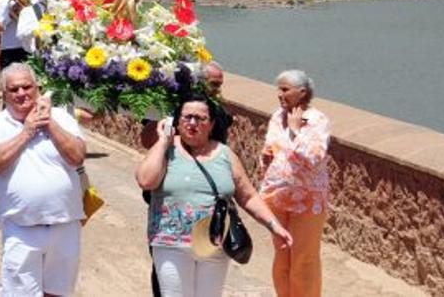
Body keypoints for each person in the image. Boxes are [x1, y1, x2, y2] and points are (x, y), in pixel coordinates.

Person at [137, 94, 293, 297]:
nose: (192, 123)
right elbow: (146, 181)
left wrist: (274, 225)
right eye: (187, 117)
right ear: (177, 120)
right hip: (170, 242)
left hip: (214, 243)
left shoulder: (225, 155)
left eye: (200, 119)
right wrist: (162, 142)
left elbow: (248, 196)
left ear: (211, 124)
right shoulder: (166, 150)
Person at [0, 64, 87, 297]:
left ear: (37, 88)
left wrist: (48, 123)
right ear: (4, 93)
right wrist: (27, 132)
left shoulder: (61, 117)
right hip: (21, 228)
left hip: (65, 224)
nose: (21, 94)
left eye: (26, 87)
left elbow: (77, 156)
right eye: (13, 89)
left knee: (58, 293)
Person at [260, 70, 331, 297]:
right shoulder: (276, 117)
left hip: (308, 201)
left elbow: (313, 157)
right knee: (282, 257)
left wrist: (295, 130)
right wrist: (265, 158)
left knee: (303, 259)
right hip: (276, 197)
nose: (279, 94)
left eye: (284, 89)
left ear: (302, 92)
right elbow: (272, 147)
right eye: (278, 89)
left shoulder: (317, 120)